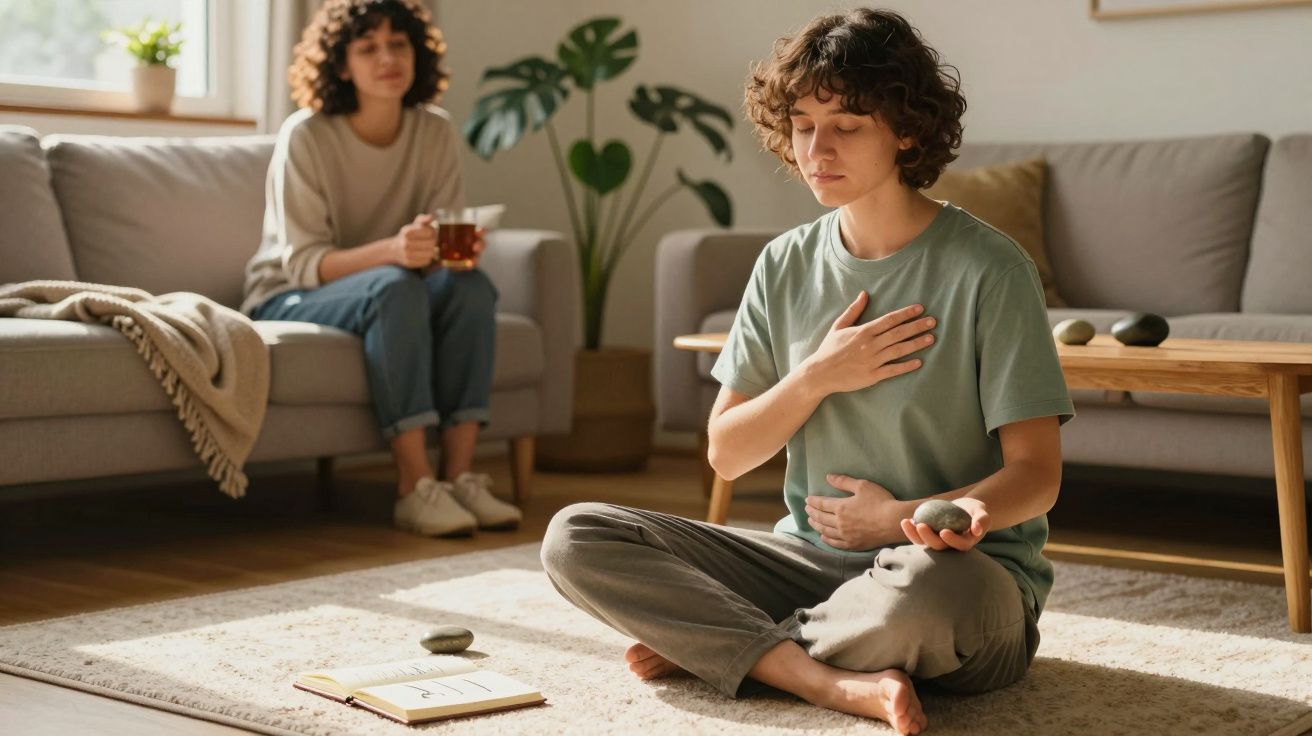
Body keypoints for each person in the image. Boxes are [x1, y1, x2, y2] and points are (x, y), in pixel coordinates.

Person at [540, 8, 1073, 735]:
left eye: (846, 125)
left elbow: (1037, 475)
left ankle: (729, 645)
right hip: (806, 562)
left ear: (908, 130)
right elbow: (727, 450)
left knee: (925, 596)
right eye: (801, 123)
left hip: (956, 580)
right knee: (575, 536)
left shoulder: (990, 269)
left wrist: (899, 519)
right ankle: (818, 676)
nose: (816, 149)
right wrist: (818, 375)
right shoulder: (784, 264)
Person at [241, 0, 520, 538]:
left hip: (397, 284)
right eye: (368, 48)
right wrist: (394, 251)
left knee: (469, 286)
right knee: (394, 288)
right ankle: (414, 486)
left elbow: (439, 241)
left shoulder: (434, 131)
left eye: (399, 44)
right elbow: (301, 264)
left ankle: (460, 475)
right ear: (341, 65)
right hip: (289, 293)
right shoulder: (307, 135)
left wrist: (450, 250)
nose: (387, 58)